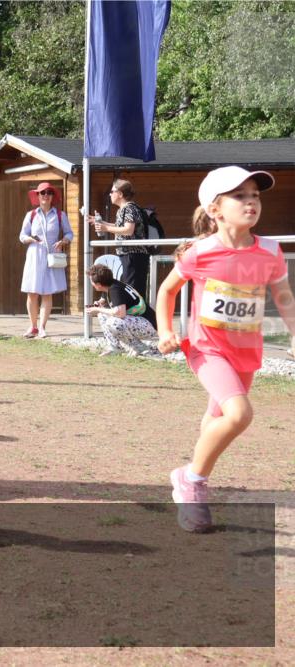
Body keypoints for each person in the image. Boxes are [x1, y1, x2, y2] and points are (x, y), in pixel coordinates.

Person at [155, 166, 295, 533]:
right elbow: (167, 290)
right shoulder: (200, 253)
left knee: (215, 422)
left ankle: (193, 486)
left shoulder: (269, 251)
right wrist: (166, 331)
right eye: (240, 196)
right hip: (207, 350)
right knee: (239, 415)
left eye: (256, 196)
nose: (251, 202)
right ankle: (191, 480)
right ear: (215, 209)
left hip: (246, 353)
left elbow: (282, 296)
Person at [19, 182, 73, 338]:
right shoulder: (31, 215)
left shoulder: (60, 215)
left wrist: (63, 241)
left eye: (49, 193)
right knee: (32, 292)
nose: (46, 195)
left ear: (52, 196)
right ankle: (32, 326)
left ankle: (42, 327)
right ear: (38, 195)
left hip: (52, 256)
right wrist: (30, 239)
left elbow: (70, 233)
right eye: (42, 193)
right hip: (34, 255)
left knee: (47, 292)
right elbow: (22, 236)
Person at [92, 179, 149, 297]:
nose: (110, 194)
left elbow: (128, 230)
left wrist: (105, 228)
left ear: (120, 194)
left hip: (134, 255)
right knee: (131, 288)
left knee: (134, 291)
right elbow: (121, 227)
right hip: (129, 255)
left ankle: (138, 314)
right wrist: (102, 223)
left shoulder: (128, 208)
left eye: (112, 191)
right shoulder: (124, 209)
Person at [85, 264, 157, 356]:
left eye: (91, 281)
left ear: (98, 284)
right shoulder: (111, 284)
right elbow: (103, 300)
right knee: (102, 315)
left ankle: (138, 346)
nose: (91, 283)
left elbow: (120, 313)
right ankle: (115, 347)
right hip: (141, 323)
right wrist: (98, 304)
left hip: (149, 326)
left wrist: (97, 309)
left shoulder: (115, 289)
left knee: (113, 322)